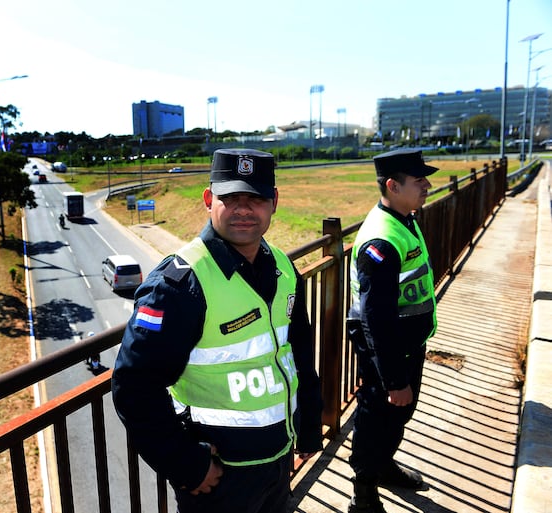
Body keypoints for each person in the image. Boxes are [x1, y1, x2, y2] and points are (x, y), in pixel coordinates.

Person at [112, 148, 323, 513]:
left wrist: (307, 425)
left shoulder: (283, 268)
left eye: (255, 198)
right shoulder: (179, 284)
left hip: (277, 462)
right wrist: (187, 466)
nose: (243, 209)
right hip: (220, 481)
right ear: (209, 200)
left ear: (274, 202)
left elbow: (298, 353)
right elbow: (134, 387)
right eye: (230, 198)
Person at [346, 149, 438, 513]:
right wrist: (394, 380)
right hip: (387, 348)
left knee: (399, 413)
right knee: (378, 416)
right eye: (419, 181)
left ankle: (382, 466)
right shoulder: (381, 241)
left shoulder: (404, 216)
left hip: (405, 341)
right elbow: (376, 318)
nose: (428, 185)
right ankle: (363, 491)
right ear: (392, 186)